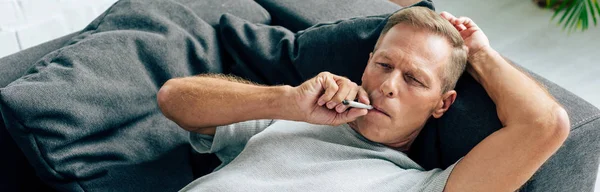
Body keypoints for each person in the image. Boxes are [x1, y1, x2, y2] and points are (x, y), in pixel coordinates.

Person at [157, 6, 570, 192]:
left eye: (414, 79)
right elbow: (174, 98)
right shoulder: (290, 118)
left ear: (442, 104)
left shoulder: (426, 186)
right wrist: (284, 101)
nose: (389, 85)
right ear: (367, 63)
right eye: (385, 65)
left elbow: (547, 125)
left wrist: (479, 53)